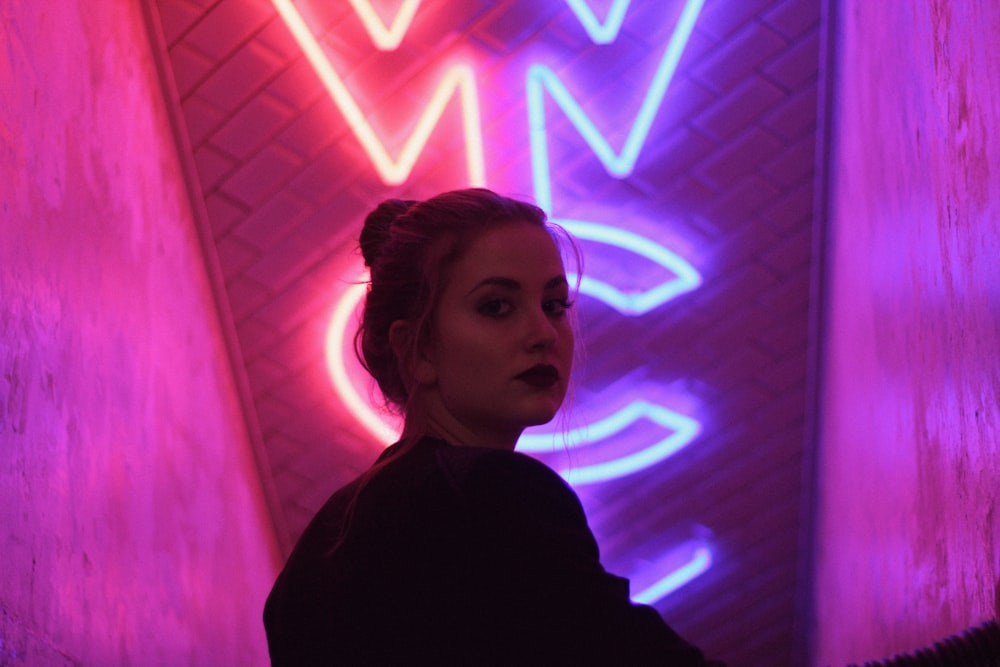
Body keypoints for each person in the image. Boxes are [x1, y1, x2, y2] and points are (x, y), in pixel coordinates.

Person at [263, 188, 722, 665]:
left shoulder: (325, 539)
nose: (543, 334)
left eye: (554, 305)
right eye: (496, 306)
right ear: (416, 349)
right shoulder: (494, 493)